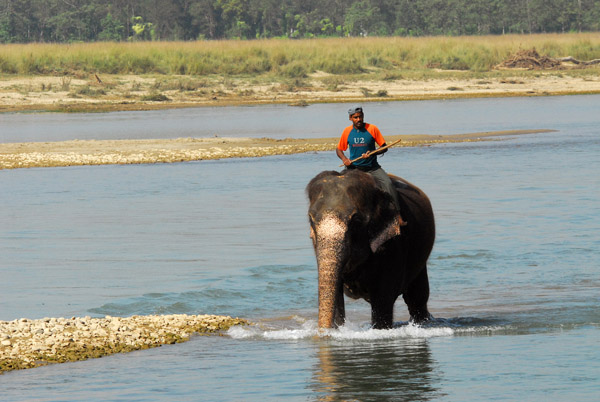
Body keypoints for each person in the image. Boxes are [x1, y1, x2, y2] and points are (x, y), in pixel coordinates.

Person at [336, 105, 404, 220]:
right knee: (338, 186)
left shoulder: (372, 128)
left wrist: (372, 153)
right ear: (350, 118)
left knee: (388, 184)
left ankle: (398, 215)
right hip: (354, 168)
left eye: (360, 117)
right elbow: (339, 149)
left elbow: (384, 147)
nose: (359, 120)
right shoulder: (347, 131)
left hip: (373, 168)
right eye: (356, 117)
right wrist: (344, 159)